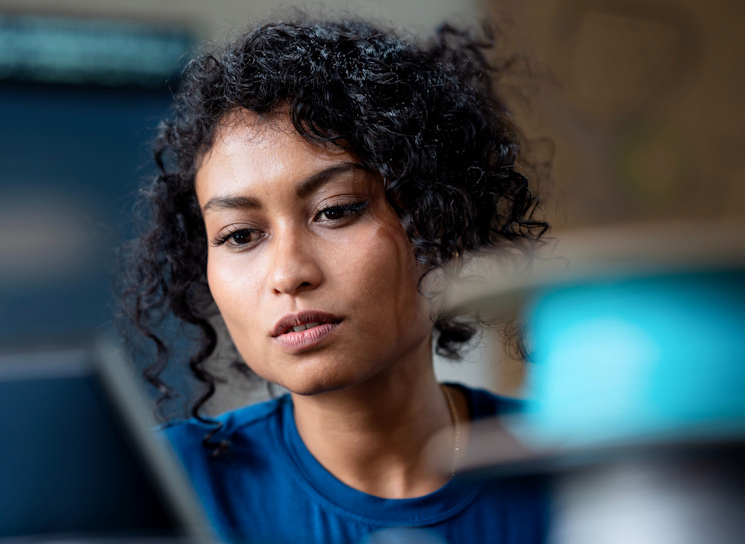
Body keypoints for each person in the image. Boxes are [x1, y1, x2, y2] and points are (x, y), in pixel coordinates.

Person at [120, 16, 550, 544]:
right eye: (238, 236)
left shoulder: (582, 465)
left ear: (439, 221)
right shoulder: (158, 490)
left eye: (336, 210)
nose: (288, 273)